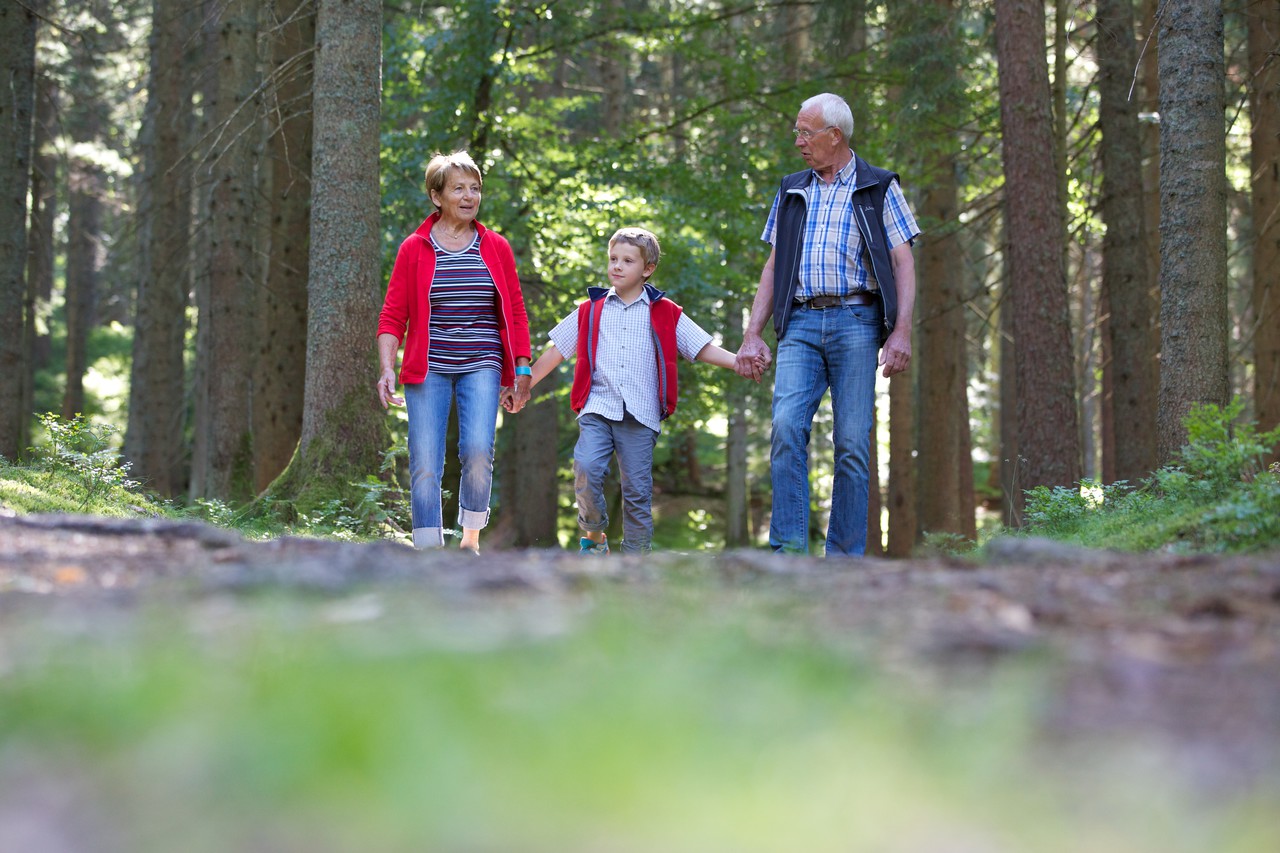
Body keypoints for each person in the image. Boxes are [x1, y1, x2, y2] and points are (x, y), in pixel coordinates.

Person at [734, 93, 920, 557]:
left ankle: (843, 560)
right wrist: (752, 333)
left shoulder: (879, 187)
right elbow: (774, 264)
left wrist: (901, 331)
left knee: (853, 442)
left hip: (857, 321)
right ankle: (790, 553)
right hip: (798, 322)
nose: (798, 142)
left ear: (834, 136)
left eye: (805, 132)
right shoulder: (791, 189)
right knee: (785, 428)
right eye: (797, 132)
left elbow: (903, 262)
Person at [506, 227, 746, 555]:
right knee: (586, 467)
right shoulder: (591, 309)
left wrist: (738, 362)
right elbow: (556, 352)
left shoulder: (665, 311)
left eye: (628, 261)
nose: (617, 266)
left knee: (637, 492)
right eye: (613, 259)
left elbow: (700, 347)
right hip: (597, 407)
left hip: (641, 415)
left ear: (648, 269)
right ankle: (594, 535)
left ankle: (635, 560)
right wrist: (522, 387)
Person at [376, 151, 532, 553]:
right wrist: (387, 367)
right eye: (458, 189)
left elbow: (515, 310)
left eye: (475, 188)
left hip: (483, 360)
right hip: (427, 364)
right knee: (426, 459)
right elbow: (392, 315)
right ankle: (428, 549)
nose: (469, 196)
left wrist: (522, 369)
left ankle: (470, 540)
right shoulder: (414, 248)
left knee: (478, 450)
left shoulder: (495, 246)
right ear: (436, 196)